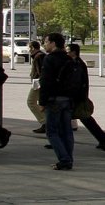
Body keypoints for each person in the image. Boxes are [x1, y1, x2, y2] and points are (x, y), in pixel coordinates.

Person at [38, 32, 77, 170]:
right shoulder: (69, 59)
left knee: (52, 131)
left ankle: (64, 159)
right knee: (67, 130)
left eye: (46, 41)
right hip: (68, 99)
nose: (44, 44)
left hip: (54, 99)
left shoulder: (50, 59)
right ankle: (69, 158)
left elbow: (46, 82)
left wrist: (42, 101)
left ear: (53, 43)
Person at [67, 44, 105, 149]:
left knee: (85, 119)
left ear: (74, 52)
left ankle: (104, 139)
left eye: (68, 51)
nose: (66, 53)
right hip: (77, 97)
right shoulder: (74, 63)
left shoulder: (78, 64)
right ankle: (103, 139)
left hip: (77, 97)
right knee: (85, 119)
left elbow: (78, 82)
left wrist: (79, 96)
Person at [26, 39, 46, 133]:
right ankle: (46, 121)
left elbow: (41, 72)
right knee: (41, 104)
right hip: (38, 83)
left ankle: (45, 122)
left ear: (32, 48)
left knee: (31, 102)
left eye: (28, 48)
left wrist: (39, 83)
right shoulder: (38, 56)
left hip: (38, 84)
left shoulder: (39, 57)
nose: (28, 50)